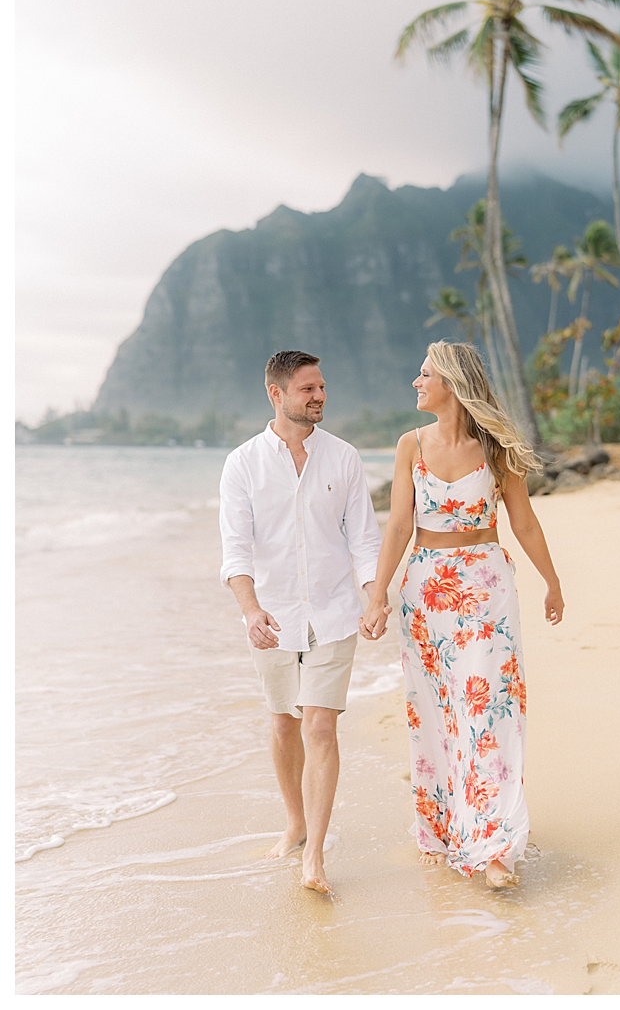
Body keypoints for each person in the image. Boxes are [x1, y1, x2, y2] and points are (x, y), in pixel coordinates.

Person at [360, 341, 563, 888]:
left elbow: (523, 523)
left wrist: (552, 581)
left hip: (485, 589)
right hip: (426, 593)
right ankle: (448, 826)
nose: (415, 382)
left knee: (487, 707)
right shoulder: (410, 445)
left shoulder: (497, 448)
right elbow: (399, 525)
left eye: (423, 374)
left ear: (450, 382)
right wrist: (378, 593)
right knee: (435, 711)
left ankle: (493, 846)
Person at [219, 349, 382, 896]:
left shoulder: (344, 458)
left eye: (321, 387)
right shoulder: (242, 464)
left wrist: (374, 597)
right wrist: (250, 611)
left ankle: (315, 853)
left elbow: (364, 539)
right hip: (272, 616)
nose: (319, 397)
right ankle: (295, 821)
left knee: (319, 724)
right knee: (284, 723)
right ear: (277, 394)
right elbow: (236, 551)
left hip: (336, 612)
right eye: (308, 389)